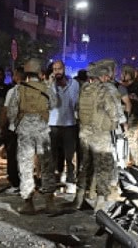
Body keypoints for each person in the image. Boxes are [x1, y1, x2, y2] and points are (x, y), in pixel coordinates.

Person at [6, 58, 58, 214]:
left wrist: (17, 124)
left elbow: (11, 112)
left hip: (25, 133)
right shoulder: (46, 88)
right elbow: (54, 104)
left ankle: (28, 204)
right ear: (39, 72)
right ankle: (50, 203)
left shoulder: (18, 89)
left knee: (26, 167)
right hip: (42, 132)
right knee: (47, 167)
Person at [68, 59, 122, 211]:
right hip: (100, 135)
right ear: (103, 76)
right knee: (103, 167)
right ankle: (100, 202)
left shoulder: (85, 89)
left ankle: (78, 198)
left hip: (85, 133)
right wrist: (114, 122)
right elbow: (114, 113)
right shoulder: (105, 90)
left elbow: (77, 111)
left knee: (85, 165)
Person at [48, 60, 80, 193]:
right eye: (54, 69)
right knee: (53, 156)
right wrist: (51, 86)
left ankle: (71, 180)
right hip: (53, 125)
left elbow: (75, 103)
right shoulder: (49, 85)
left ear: (64, 69)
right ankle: (55, 180)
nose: (57, 72)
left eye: (59, 69)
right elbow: (50, 104)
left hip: (69, 124)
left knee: (70, 156)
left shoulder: (74, 84)